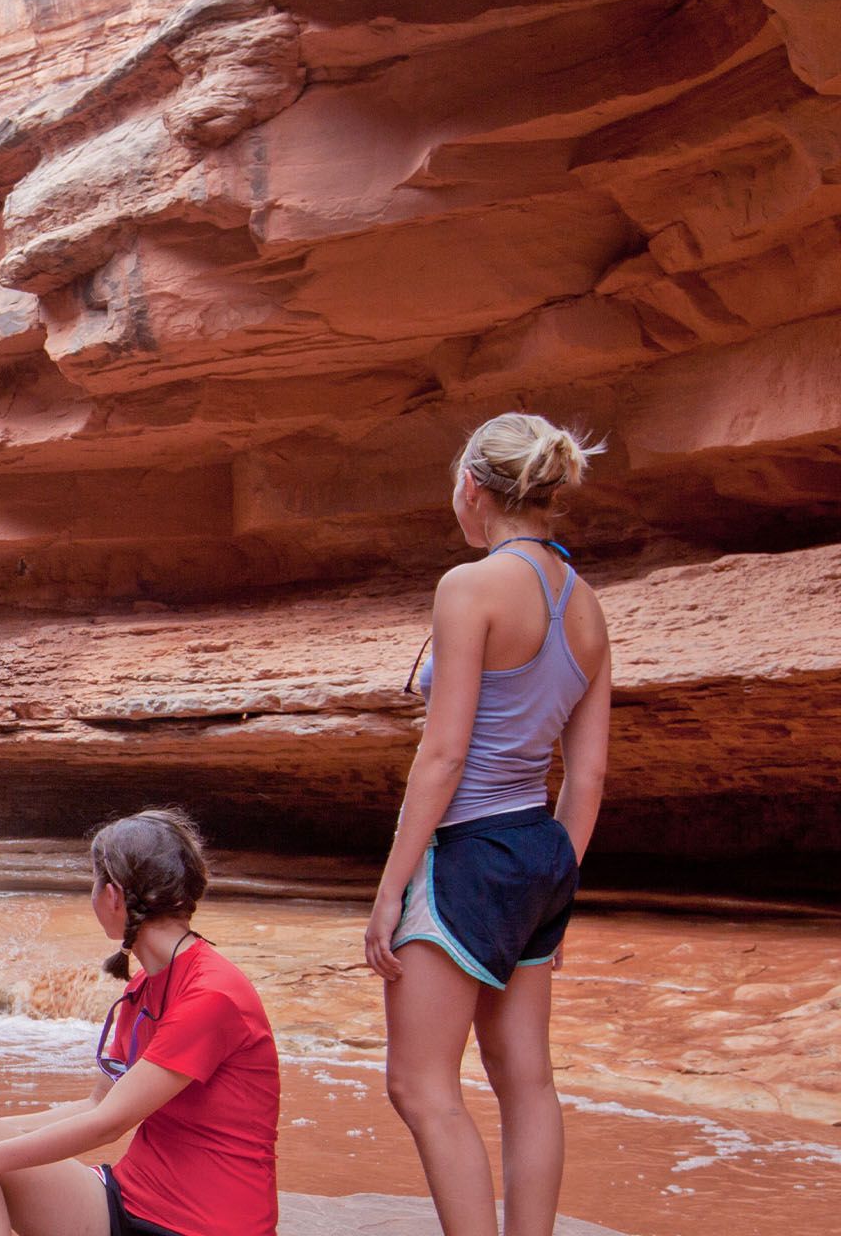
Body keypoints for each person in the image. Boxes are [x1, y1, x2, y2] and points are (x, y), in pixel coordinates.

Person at [364, 413, 612, 1236]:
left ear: (473, 488)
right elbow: (590, 772)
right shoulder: (588, 609)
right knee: (525, 1080)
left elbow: (443, 758)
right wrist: (556, 884)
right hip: (540, 850)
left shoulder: (468, 588)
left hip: (467, 850)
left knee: (421, 1085)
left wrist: (392, 889)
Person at [0, 807, 280, 1236]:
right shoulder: (144, 986)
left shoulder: (212, 994)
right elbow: (95, 1105)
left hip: (202, 1226)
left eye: (93, 883)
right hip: (131, 1200)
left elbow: (109, 1123)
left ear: (113, 896)